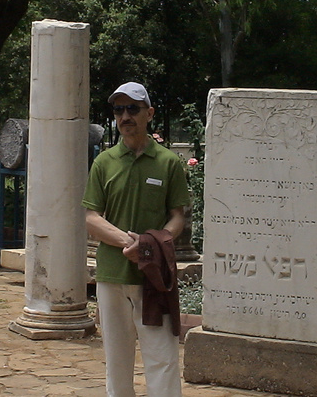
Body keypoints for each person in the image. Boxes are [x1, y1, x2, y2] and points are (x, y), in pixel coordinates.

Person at [82, 81, 190, 397]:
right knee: (117, 362)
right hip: (112, 275)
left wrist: (149, 246)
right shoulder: (104, 162)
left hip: (154, 277)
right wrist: (129, 243)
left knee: (163, 357)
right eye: (119, 110)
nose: (125, 116)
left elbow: (178, 217)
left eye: (133, 108)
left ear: (149, 113)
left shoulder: (168, 162)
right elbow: (91, 218)